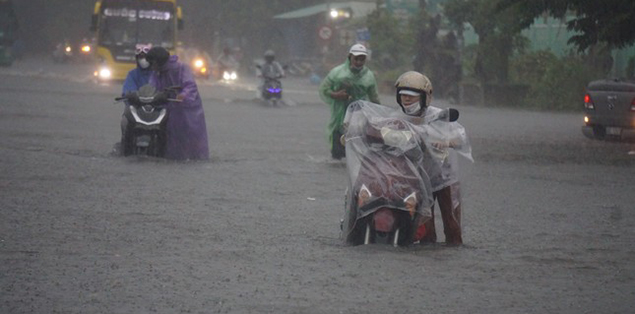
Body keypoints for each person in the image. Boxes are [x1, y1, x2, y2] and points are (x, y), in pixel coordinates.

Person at [394, 71, 472, 245]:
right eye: (403, 96)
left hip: (446, 179)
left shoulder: (439, 116)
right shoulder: (398, 119)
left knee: (452, 226)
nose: (406, 100)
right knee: (425, 231)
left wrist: (447, 141)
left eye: (411, 97)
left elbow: (461, 137)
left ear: (424, 97)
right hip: (420, 180)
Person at [145, 46, 209, 160]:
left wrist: (183, 95)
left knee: (188, 135)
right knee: (168, 134)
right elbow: (151, 86)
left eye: (153, 63)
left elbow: (190, 85)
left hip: (187, 110)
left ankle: (193, 157)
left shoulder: (182, 68)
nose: (151, 67)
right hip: (167, 107)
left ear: (159, 62)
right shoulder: (157, 72)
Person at [319, 43, 380, 160]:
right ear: (349, 57)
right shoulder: (337, 73)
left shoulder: (368, 76)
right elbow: (324, 89)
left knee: (357, 145)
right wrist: (336, 94)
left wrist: (378, 116)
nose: (358, 62)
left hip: (359, 114)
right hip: (340, 114)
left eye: (362, 59)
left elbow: (374, 97)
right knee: (337, 148)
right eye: (356, 58)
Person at [120, 43, 153, 156]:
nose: (143, 60)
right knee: (125, 122)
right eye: (140, 58)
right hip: (136, 109)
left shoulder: (157, 74)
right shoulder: (132, 74)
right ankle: (126, 151)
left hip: (155, 109)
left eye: (146, 58)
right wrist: (130, 96)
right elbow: (127, 90)